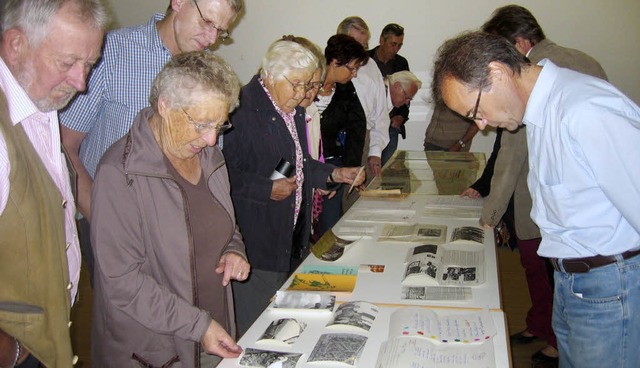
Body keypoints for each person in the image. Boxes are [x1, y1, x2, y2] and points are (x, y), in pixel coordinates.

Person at [432, 31, 640, 368]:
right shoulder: (540, 112)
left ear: (497, 74)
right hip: (573, 282)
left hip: (611, 287)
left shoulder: (585, 109)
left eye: (475, 112)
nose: (482, 126)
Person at [460, 5, 609, 366]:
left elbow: (511, 153)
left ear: (521, 42)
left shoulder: (533, 73)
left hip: (542, 200)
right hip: (580, 205)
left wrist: (490, 214)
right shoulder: (582, 59)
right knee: (546, 272)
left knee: (547, 273)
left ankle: (554, 340)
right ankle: (540, 325)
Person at [59, 0, 243, 282]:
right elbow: (66, 146)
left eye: (221, 31)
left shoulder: (210, 72)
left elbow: (210, 163)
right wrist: (105, 223)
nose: (212, 39)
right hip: (116, 227)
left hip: (185, 234)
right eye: (207, 22)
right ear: (179, 2)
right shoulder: (113, 53)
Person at [90, 51, 248, 367]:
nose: (211, 138)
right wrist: (197, 325)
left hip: (212, 330)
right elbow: (122, 282)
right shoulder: (119, 173)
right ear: (164, 106)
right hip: (156, 349)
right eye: (202, 124)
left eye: (220, 124)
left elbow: (224, 224)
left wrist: (234, 249)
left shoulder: (209, 157)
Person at [224, 39, 365, 335]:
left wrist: (335, 173)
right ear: (271, 74)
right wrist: (265, 189)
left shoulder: (292, 107)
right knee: (258, 331)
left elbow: (298, 165)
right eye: (297, 85)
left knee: (289, 326)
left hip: (293, 237)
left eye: (308, 86)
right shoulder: (241, 109)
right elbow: (220, 176)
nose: (304, 95)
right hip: (257, 246)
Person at [0, 0, 107, 367]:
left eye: (89, 64)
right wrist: (9, 351)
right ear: (15, 45)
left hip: (47, 335)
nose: (81, 82)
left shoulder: (41, 102)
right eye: (67, 63)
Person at [316, 34, 370, 235]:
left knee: (330, 227)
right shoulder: (306, 86)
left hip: (333, 166)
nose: (354, 74)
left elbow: (357, 126)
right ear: (334, 62)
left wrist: (352, 167)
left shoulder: (346, 89)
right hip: (305, 167)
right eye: (352, 68)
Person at [336, 17, 389, 178]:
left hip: (362, 140)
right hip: (332, 139)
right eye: (354, 43)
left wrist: (375, 151)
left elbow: (381, 112)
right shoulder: (328, 65)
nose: (359, 49)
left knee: (356, 199)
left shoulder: (371, 67)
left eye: (363, 45)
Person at [369, 23, 411, 164]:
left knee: (385, 167)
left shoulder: (401, 63)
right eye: (393, 44)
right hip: (369, 125)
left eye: (399, 45)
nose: (396, 49)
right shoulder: (366, 60)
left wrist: (401, 116)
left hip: (391, 125)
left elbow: (407, 92)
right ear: (382, 40)